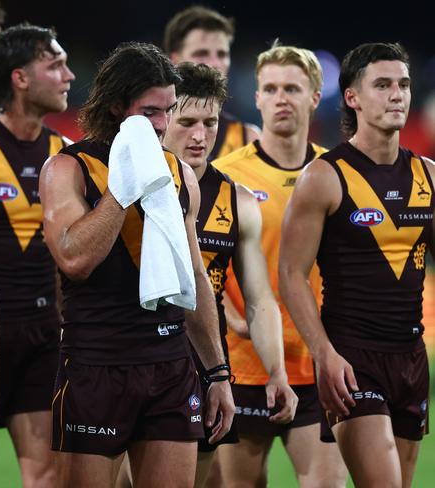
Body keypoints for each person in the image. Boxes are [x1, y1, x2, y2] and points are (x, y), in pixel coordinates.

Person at [40, 41, 235, 488]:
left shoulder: (179, 174)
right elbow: (74, 260)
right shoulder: (68, 169)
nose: (164, 124)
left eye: (168, 110)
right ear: (115, 107)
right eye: (150, 112)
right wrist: (122, 189)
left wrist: (218, 372)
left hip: (169, 365)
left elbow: (193, 278)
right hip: (97, 365)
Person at [279, 42, 431, 488]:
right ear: (352, 97)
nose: (397, 95)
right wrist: (323, 354)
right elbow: (291, 274)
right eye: (382, 85)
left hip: (411, 358)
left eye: (403, 84)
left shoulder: (429, 176)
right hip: (352, 360)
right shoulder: (324, 177)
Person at [211, 43, 348, 488]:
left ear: (314, 96)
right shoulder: (224, 176)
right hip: (244, 365)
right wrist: (230, 318)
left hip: (318, 363)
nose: (280, 98)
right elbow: (203, 265)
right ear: (257, 99)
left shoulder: (336, 174)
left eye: (292, 88)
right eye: (270, 88)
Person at [162, 61, 297, 488]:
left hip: (203, 367)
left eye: (210, 122)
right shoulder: (125, 189)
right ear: (162, 118)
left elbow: (259, 299)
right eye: (186, 122)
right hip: (131, 356)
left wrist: (277, 371)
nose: (200, 136)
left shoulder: (237, 202)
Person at [0, 23, 75, 487]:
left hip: (43, 333)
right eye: (55, 64)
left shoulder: (63, 153)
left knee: (45, 473)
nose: (68, 75)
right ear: (20, 78)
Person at [163, 5, 259, 160]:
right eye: (202, 53)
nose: (214, 63)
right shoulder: (151, 134)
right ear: (173, 61)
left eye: (222, 54)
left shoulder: (246, 141)